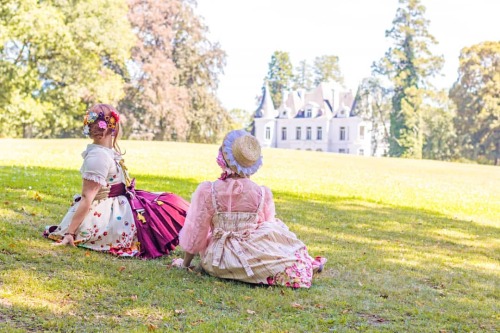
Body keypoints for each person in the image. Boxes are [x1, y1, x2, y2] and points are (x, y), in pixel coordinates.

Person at [173, 130, 326, 288]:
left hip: (219, 258)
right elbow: (266, 228)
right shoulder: (261, 192)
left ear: (223, 158)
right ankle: (296, 264)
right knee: (276, 233)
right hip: (252, 247)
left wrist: (185, 263)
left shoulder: (209, 190)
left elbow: (196, 231)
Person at [44, 104, 189, 259]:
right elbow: (87, 198)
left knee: (168, 202)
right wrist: (70, 233)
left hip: (122, 201)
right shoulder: (97, 157)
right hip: (106, 212)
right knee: (162, 209)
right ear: (113, 127)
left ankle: (201, 238)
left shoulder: (107, 152)